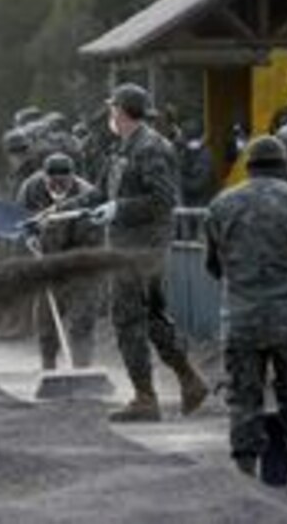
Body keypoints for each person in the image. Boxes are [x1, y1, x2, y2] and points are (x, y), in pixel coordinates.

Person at [205, 136, 287, 501]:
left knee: (244, 399)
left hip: (242, 320)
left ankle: (245, 477)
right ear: (284, 165)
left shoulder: (221, 205)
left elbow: (213, 267)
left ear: (249, 165)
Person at [87, 83, 208, 422]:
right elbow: (100, 191)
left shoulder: (151, 147)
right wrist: (59, 211)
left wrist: (119, 208)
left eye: (112, 108)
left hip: (142, 248)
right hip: (129, 246)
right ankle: (189, 381)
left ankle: (146, 398)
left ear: (121, 111)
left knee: (128, 319)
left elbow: (163, 200)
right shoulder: (126, 146)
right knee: (153, 319)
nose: (109, 114)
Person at [18, 152, 100, 370]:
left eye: (63, 182)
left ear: (72, 178)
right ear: (44, 178)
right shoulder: (31, 188)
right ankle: (48, 367)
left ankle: (82, 368)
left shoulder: (87, 195)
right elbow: (21, 221)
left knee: (82, 318)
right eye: (52, 182)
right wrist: (31, 238)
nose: (57, 187)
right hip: (46, 261)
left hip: (80, 261)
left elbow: (91, 241)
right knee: (45, 319)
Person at [176, 120, 216, 240]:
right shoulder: (184, 153)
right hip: (187, 215)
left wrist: (179, 180)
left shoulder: (205, 155)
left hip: (200, 212)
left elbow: (198, 185)